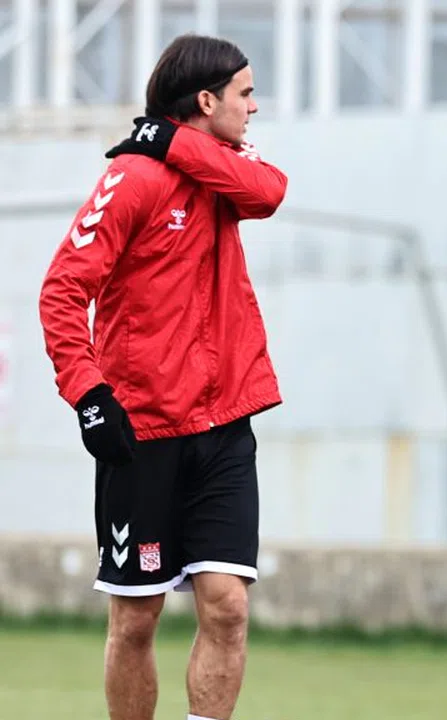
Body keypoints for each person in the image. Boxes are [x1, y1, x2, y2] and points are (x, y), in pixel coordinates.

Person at [37, 34, 287, 720]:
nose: (254, 107)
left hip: (225, 423)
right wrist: (89, 395)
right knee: (136, 618)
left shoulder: (225, 167)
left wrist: (173, 141)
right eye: (244, 94)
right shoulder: (133, 178)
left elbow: (270, 191)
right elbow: (62, 291)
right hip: (143, 430)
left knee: (228, 606)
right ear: (206, 100)